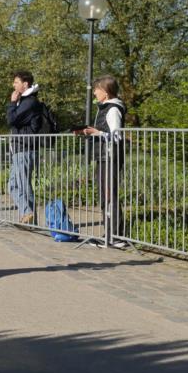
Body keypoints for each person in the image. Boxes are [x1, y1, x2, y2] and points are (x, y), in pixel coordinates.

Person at [75, 75, 127, 247]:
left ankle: (116, 236)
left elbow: (117, 135)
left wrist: (97, 133)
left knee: (109, 195)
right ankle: (109, 234)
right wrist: (89, 132)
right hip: (103, 157)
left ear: (105, 92)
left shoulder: (113, 109)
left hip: (110, 157)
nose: (94, 93)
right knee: (105, 195)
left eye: (96, 89)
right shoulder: (104, 108)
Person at [6, 71, 43, 224]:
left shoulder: (29, 102)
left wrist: (12, 103)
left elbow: (11, 119)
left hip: (25, 148)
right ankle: (27, 214)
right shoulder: (25, 100)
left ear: (25, 84)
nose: (13, 85)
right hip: (20, 148)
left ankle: (29, 217)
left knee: (22, 184)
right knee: (13, 185)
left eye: (16, 82)